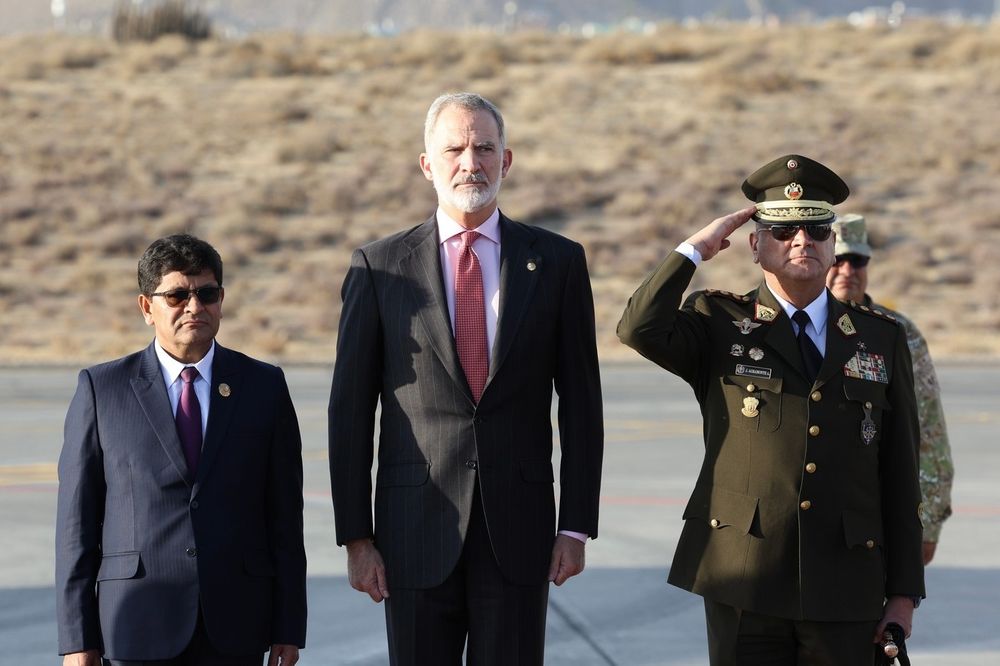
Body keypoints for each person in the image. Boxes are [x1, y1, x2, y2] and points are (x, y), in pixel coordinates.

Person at [328, 92, 604, 666]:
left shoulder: (557, 262)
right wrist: (357, 538)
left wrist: (576, 527)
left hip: (521, 534)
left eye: (484, 148)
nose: (469, 162)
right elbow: (350, 413)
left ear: (506, 161)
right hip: (411, 535)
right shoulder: (379, 268)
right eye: (454, 148)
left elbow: (581, 404)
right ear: (428, 164)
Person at [618, 155, 925, 665]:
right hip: (745, 574)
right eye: (783, 230)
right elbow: (639, 328)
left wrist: (904, 591)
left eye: (816, 229)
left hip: (846, 580)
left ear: (833, 245)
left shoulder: (879, 338)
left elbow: (899, 472)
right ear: (756, 245)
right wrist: (694, 250)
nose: (802, 240)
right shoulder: (718, 321)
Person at [56, 234, 307, 666]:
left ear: (222, 300)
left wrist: (288, 626)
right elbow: (76, 527)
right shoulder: (103, 389)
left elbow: (284, 515)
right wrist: (78, 639)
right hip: (135, 625)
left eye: (206, 294)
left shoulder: (263, 386)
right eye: (176, 295)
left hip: (237, 627)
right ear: (145, 308)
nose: (194, 307)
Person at [828, 213, 954, 565]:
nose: (848, 270)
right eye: (838, 259)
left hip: (874, 519)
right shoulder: (793, 326)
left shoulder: (897, 333)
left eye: (858, 260)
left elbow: (929, 430)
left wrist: (927, 523)